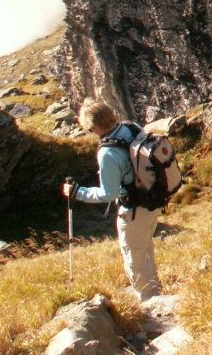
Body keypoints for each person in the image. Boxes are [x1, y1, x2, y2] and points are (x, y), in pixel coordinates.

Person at [63, 100, 163, 301]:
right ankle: (154, 288)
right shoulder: (131, 127)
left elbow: (109, 193)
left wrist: (78, 193)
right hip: (153, 198)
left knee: (134, 254)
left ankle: (148, 299)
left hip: (133, 209)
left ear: (94, 127)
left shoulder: (107, 153)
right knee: (144, 246)